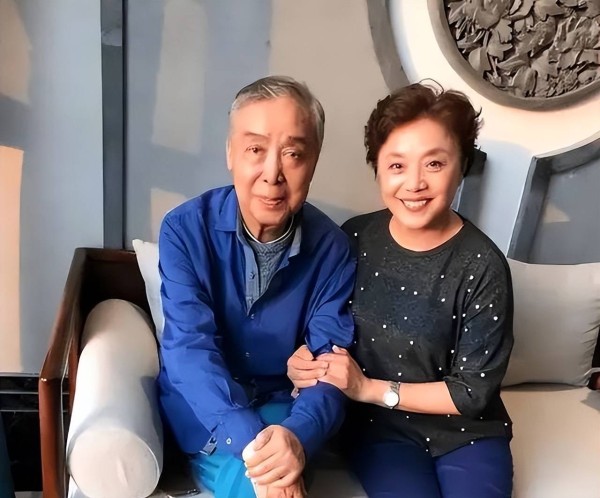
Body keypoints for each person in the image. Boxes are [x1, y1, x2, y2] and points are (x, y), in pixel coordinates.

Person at [288, 82, 514, 498]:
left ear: (461, 166)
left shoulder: (483, 265)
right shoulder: (353, 239)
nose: (414, 183)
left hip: (468, 432)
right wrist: (303, 361)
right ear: (377, 168)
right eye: (397, 165)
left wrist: (369, 388)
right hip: (378, 430)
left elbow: (473, 392)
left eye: (434, 164)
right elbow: (321, 325)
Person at [157, 75, 355, 498]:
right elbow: (188, 348)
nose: (272, 174)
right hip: (207, 416)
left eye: (293, 154)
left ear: (314, 161)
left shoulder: (333, 249)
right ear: (230, 152)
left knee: (276, 478)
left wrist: (297, 437)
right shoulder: (184, 230)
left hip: (284, 413)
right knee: (269, 484)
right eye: (255, 150)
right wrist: (253, 444)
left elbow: (329, 362)